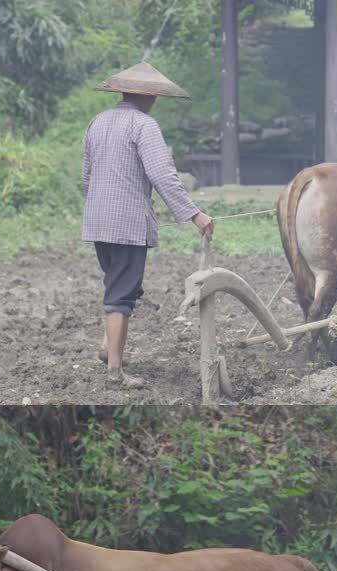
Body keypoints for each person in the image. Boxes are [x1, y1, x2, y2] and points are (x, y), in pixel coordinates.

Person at [82, 62, 215, 389]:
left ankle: (106, 347)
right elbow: (163, 175)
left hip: (98, 221)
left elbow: (85, 178)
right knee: (122, 293)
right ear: (150, 96)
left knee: (118, 285)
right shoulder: (144, 125)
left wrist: (100, 203)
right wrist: (194, 214)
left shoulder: (97, 122)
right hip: (127, 224)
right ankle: (115, 372)